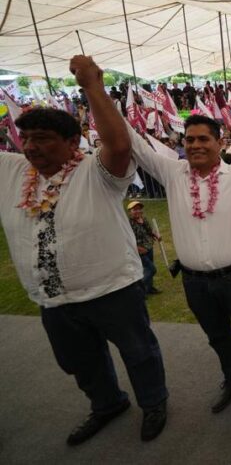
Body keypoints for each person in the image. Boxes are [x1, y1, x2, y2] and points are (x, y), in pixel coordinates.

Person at [0, 56, 168, 445]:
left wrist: (92, 84)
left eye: (42, 138)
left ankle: (154, 402)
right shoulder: (11, 172)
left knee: (138, 353)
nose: (31, 147)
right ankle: (107, 404)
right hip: (54, 299)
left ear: (72, 142)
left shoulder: (96, 171)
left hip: (113, 289)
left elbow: (120, 143)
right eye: (26, 138)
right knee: (79, 362)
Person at [125, 111, 231, 420]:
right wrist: (99, 96)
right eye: (189, 139)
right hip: (194, 281)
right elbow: (138, 147)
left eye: (203, 139)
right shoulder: (173, 173)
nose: (195, 145)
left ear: (220, 142)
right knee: (217, 335)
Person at [128, 201, 162, 295]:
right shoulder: (128, 224)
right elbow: (127, 239)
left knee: (147, 269)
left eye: (139, 209)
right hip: (139, 251)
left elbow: (149, 230)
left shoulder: (143, 219)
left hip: (149, 247)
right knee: (151, 270)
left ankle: (149, 288)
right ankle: (139, 290)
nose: (137, 211)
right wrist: (138, 248)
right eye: (134, 209)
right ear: (130, 212)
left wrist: (156, 235)